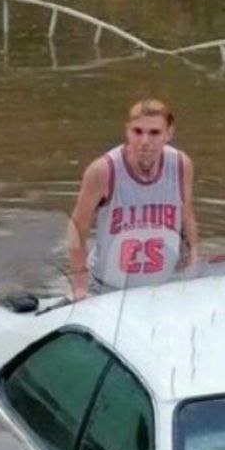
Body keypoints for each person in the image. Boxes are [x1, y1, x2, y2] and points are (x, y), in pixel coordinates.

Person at [68, 98, 199, 299]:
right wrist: (80, 286)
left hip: (163, 286)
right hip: (107, 287)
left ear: (169, 133)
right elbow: (77, 228)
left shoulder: (181, 165)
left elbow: (186, 214)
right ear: (127, 131)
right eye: (137, 131)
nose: (145, 141)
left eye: (154, 133)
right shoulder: (103, 171)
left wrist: (192, 263)